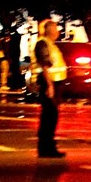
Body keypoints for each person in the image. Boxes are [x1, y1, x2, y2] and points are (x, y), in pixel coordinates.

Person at [33, 19, 67, 158]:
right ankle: (46, 148)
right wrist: (50, 86)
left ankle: (48, 147)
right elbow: (45, 65)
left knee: (51, 116)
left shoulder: (50, 44)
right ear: (49, 30)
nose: (58, 31)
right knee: (49, 116)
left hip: (56, 83)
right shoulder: (43, 44)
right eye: (55, 28)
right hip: (50, 84)